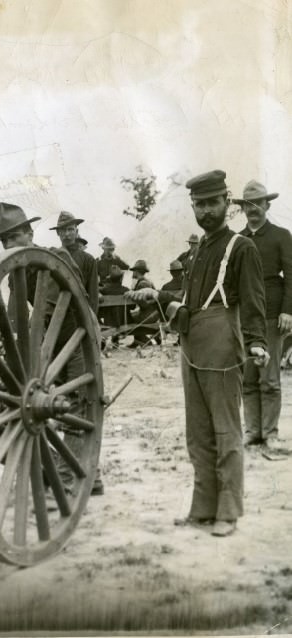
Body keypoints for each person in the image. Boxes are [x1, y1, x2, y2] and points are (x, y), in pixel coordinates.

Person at [126, 169, 268, 538]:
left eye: (212, 203)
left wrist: (257, 342)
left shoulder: (242, 247)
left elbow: (254, 301)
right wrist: (157, 295)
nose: (206, 211)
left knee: (226, 430)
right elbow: (189, 307)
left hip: (223, 341)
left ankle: (228, 512)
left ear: (227, 203)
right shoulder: (199, 250)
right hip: (192, 344)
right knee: (198, 432)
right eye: (199, 205)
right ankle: (203, 508)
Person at [0, 202, 104, 495]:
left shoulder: (56, 257)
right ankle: (92, 476)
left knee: (79, 404)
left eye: (16, 236)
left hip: (77, 339)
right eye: (5, 240)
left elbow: (50, 311)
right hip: (50, 347)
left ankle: (67, 481)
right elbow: (15, 314)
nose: (11, 244)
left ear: (30, 233)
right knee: (59, 408)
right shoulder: (18, 271)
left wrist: (34, 347)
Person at [235, 181, 292, 448]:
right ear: (243, 208)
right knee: (248, 377)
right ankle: (252, 431)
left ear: (267, 205)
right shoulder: (238, 239)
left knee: (269, 377)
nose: (253, 209)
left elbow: (291, 277)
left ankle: (270, 433)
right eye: (248, 205)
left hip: (272, 313)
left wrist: (287, 311)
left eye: (258, 204)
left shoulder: (281, 236)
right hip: (245, 317)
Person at [51, 211, 99, 314]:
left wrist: (91, 324)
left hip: (79, 316)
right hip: (56, 315)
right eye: (63, 230)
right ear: (58, 233)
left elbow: (93, 297)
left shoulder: (89, 260)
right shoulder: (53, 257)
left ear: (76, 231)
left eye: (70, 229)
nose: (67, 234)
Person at [127, 260, 160, 348]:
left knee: (129, 316)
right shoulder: (148, 281)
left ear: (137, 271)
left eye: (134, 271)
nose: (133, 273)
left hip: (149, 315)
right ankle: (138, 340)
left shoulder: (142, 284)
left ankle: (142, 339)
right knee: (133, 314)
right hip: (154, 313)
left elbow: (144, 304)